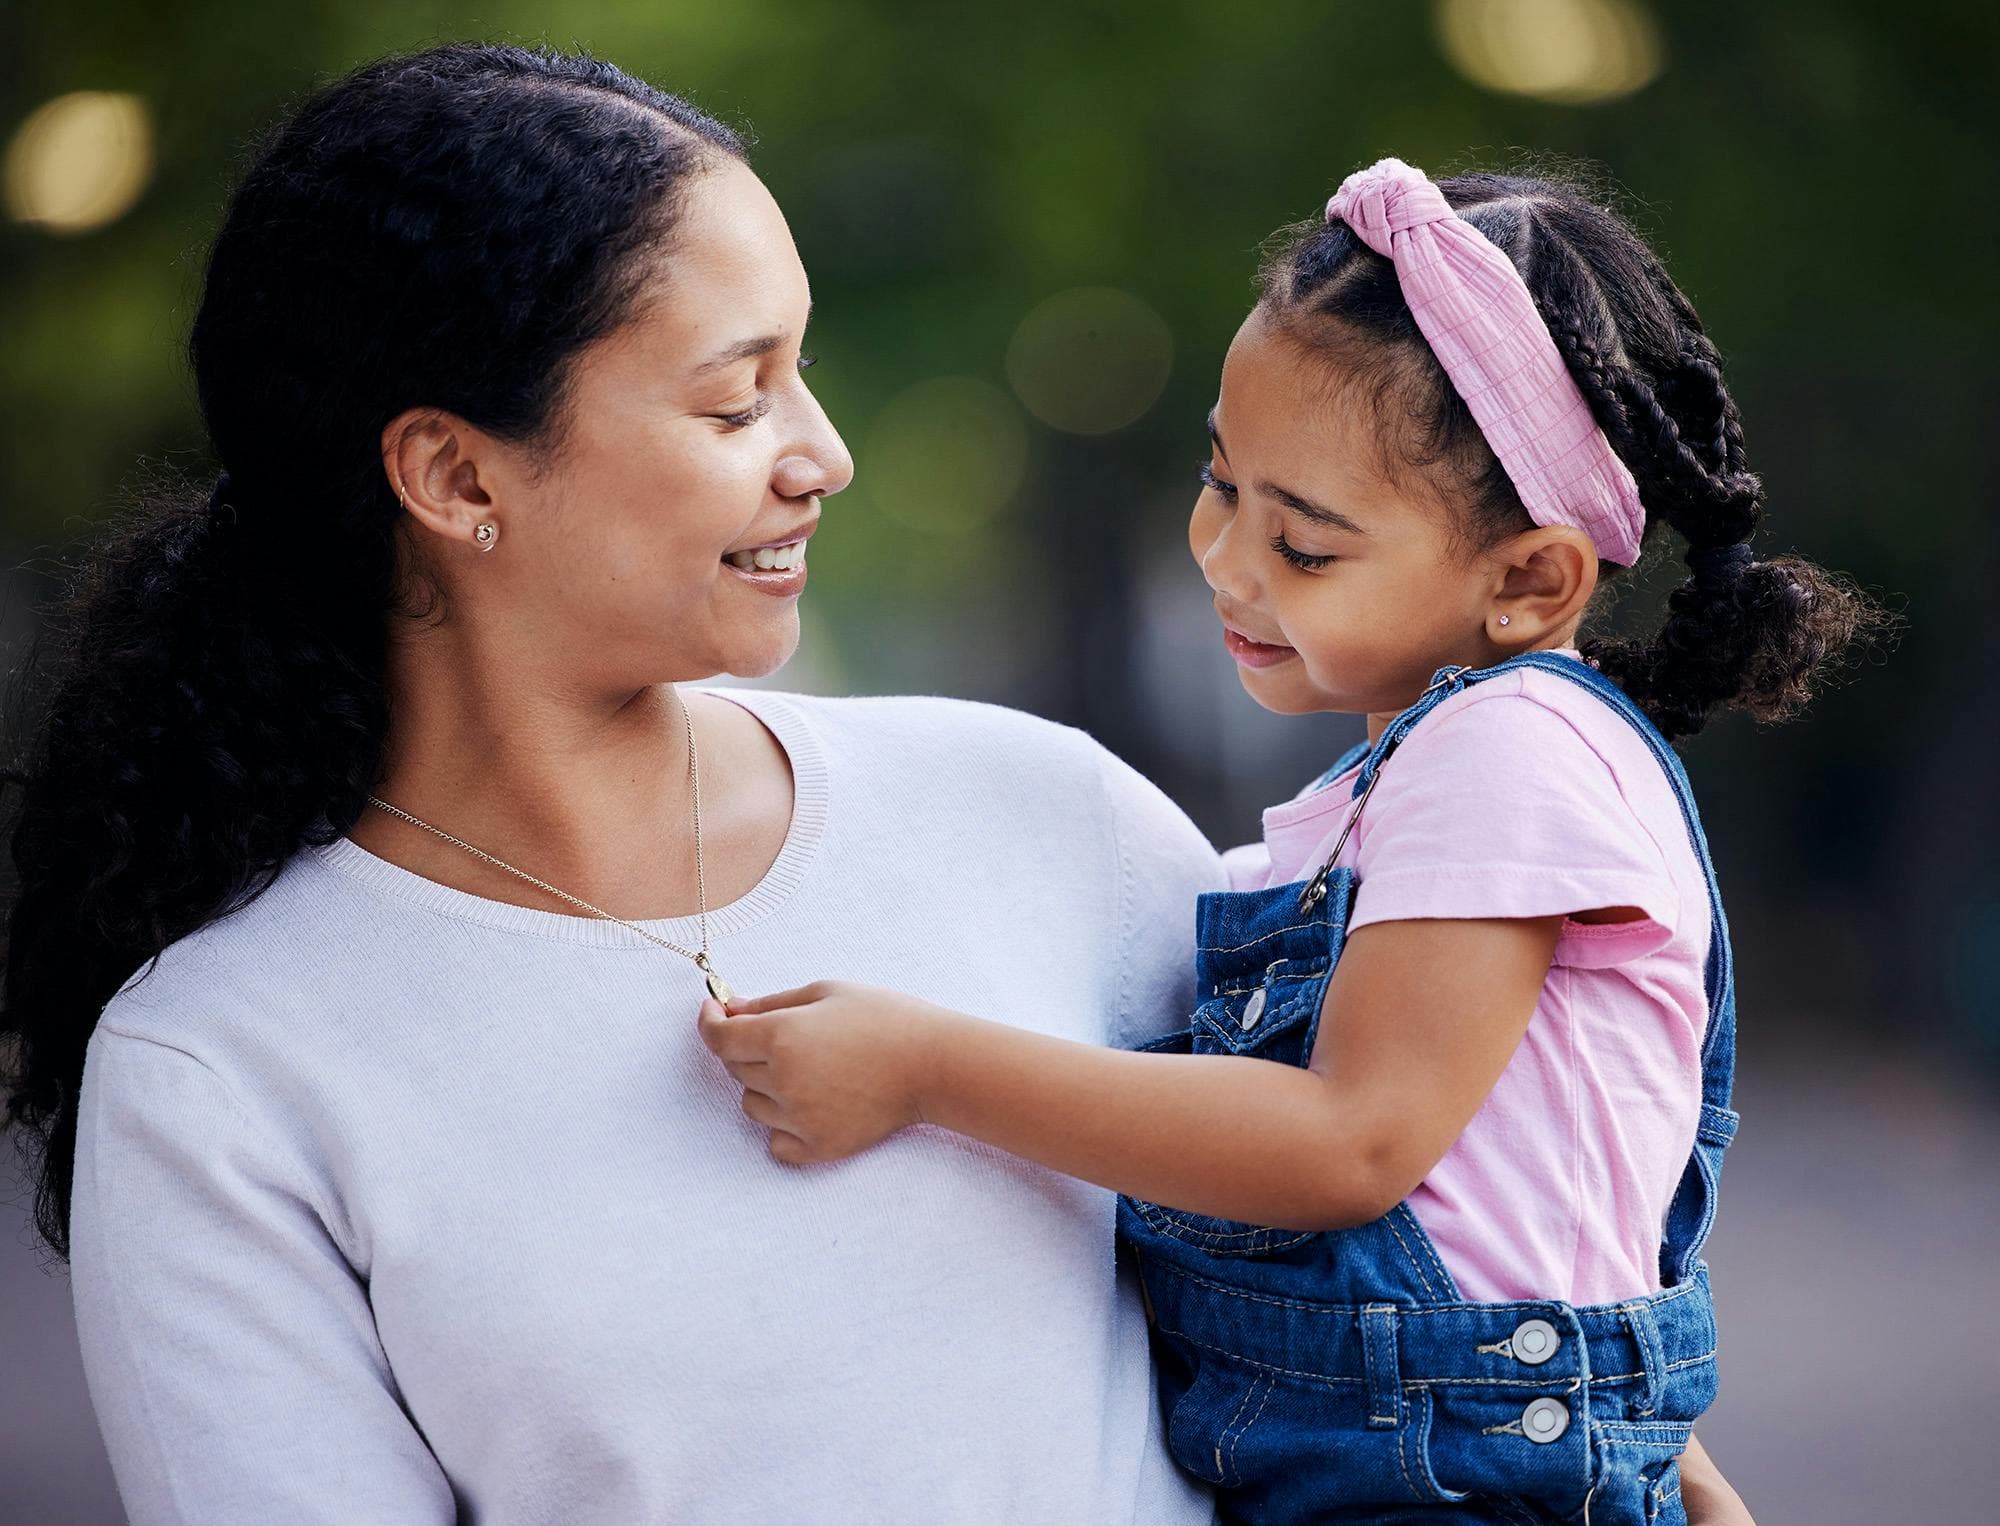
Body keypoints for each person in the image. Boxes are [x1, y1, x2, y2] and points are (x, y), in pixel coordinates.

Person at [0, 43, 1229, 1524]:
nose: (822, 454)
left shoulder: (1047, 819)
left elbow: (1436, 1287)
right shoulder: (220, 1069)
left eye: (803, 368)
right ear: (455, 479)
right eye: (736, 403)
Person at [696, 159, 1884, 1521]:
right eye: (1220, 485)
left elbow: (1351, 1139)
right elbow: (1540, 1183)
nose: (1226, 559)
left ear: (1531, 579)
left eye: (1305, 546)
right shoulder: (1449, 764)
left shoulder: (1502, 751)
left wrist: (919, 1067)